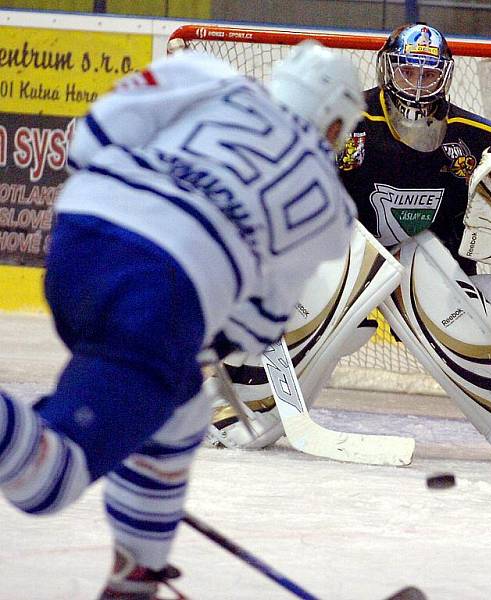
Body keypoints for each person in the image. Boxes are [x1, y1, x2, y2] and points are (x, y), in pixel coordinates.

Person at [0, 40, 364, 599]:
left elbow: (94, 133)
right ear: (336, 124)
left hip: (78, 238)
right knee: (49, 479)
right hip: (162, 293)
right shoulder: (330, 210)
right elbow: (255, 328)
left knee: (182, 404)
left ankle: (136, 573)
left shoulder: (211, 77)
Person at [215, 24, 491, 465]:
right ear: (389, 69)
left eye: (430, 74)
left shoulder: (476, 138)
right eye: (410, 72)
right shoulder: (345, 120)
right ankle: (235, 404)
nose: (419, 83)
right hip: (342, 266)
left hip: (424, 271)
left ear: (444, 76)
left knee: (486, 296)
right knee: (317, 280)